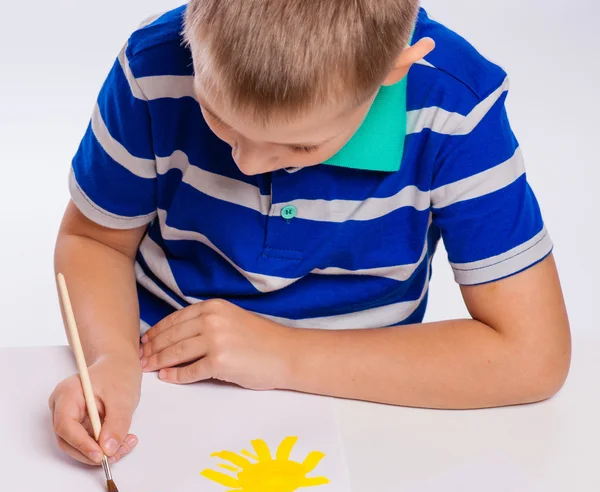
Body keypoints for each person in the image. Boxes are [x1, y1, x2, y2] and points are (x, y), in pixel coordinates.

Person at [50, 1, 571, 466]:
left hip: (364, 400)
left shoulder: (455, 106)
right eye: (217, 115)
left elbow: (533, 355)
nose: (247, 161)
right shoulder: (153, 65)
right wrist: (109, 359)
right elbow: (94, 241)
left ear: (392, 72)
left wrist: (282, 353)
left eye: (300, 146)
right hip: (161, 381)